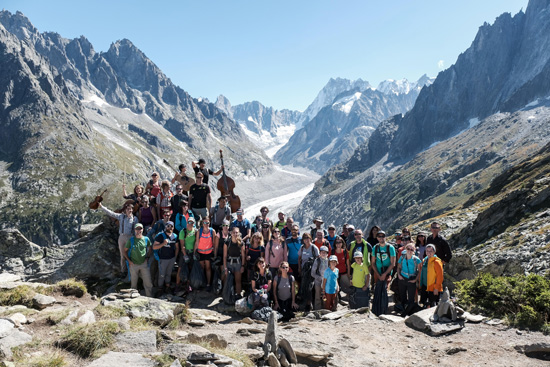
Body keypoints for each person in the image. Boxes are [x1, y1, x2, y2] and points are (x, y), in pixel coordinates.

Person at [99, 202, 138, 273]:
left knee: (131, 254)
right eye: (128, 209)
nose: (130, 210)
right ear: (125, 210)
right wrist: (102, 206)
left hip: (131, 237)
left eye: (131, 209)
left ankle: (132, 271)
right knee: (123, 255)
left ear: (132, 210)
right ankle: (123, 271)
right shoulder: (121, 216)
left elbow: (136, 229)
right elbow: (111, 213)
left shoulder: (135, 219)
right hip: (122, 237)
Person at [123, 223, 153, 297]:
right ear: (134, 230)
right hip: (133, 264)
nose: (138, 230)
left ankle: (149, 297)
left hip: (144, 264)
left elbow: (150, 248)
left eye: (140, 229)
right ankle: (134, 298)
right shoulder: (131, 240)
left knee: (148, 282)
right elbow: (124, 251)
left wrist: (147, 257)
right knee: (134, 283)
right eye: (137, 229)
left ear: (142, 230)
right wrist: (129, 261)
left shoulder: (146, 239)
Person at [371, 230, 396, 316]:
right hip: (378, 272)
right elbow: (373, 263)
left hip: (387, 272)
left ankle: (383, 309)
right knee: (378, 289)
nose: (381, 238)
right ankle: (377, 309)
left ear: (385, 237)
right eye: (379, 236)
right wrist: (378, 274)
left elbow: (393, 263)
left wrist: (385, 274)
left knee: (385, 290)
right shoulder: (375, 248)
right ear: (377, 238)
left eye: (383, 236)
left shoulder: (390, 248)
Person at [153, 221, 179, 294]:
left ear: (173, 228)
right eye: (168, 226)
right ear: (165, 227)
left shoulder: (175, 236)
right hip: (162, 258)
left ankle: (167, 287)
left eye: (171, 226)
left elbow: (177, 247)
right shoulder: (160, 236)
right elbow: (154, 247)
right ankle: (160, 289)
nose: (169, 228)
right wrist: (163, 243)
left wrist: (175, 257)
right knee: (162, 274)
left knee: (169, 273)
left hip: (171, 258)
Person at [397, 243, 422, 316]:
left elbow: (420, 271)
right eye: (408, 249)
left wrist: (415, 280)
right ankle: (404, 311)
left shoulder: (416, 260)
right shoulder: (402, 257)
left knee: (411, 298)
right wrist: (399, 275)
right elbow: (398, 267)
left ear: (414, 251)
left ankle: (407, 313)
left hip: (411, 279)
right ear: (405, 249)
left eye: (412, 249)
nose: (409, 251)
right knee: (403, 296)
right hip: (402, 278)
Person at [194, 218, 217, 291]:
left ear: (209, 223)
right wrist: (195, 252)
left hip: (208, 252)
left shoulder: (212, 231)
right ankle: (202, 282)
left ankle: (208, 284)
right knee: (201, 268)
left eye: (207, 223)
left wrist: (214, 253)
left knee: (208, 268)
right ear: (202, 223)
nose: (206, 224)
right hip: (200, 252)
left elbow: (214, 243)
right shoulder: (199, 231)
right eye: (204, 223)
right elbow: (197, 242)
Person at [224, 227, 246, 296]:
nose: (235, 234)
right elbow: (224, 256)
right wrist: (225, 267)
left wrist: (242, 266)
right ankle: (227, 295)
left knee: (238, 280)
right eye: (234, 232)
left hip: (238, 263)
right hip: (229, 263)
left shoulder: (241, 243)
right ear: (231, 233)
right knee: (228, 280)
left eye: (237, 232)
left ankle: (238, 295)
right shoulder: (227, 242)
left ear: (239, 233)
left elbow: (243, 256)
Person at [176, 217, 196, 293]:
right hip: (184, 252)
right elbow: (182, 245)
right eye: (189, 222)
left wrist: (194, 253)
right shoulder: (183, 232)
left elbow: (195, 243)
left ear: (194, 224)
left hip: (192, 252)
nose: (190, 224)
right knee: (180, 268)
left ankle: (188, 285)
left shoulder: (195, 232)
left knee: (190, 268)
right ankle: (177, 285)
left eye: (192, 223)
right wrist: (185, 255)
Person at [311, 245, 329, 310]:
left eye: (325, 252)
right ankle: (317, 309)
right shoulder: (317, 261)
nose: (323, 254)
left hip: (327, 282)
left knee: (326, 295)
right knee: (317, 296)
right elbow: (312, 273)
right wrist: (319, 278)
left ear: (327, 253)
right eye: (322, 252)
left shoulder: (329, 261)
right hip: (318, 282)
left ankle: (325, 308)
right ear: (320, 253)